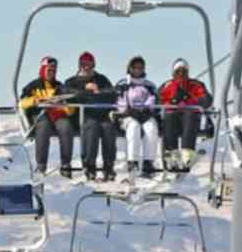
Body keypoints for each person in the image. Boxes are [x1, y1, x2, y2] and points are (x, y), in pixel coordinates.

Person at [64, 51, 118, 181]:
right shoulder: (72, 81)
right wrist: (85, 89)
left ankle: (108, 166)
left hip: (102, 115)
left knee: (109, 128)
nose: (86, 67)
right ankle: (90, 166)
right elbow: (67, 93)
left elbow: (112, 93)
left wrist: (98, 91)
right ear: (79, 65)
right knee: (91, 128)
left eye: (89, 64)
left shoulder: (101, 79)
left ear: (94, 65)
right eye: (83, 64)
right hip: (84, 116)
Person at [19, 56, 76, 177]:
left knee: (66, 126)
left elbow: (71, 109)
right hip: (40, 114)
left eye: (54, 70)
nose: (52, 73)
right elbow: (22, 102)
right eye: (49, 70)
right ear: (43, 69)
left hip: (56, 114)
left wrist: (63, 105)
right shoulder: (34, 86)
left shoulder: (60, 87)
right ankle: (41, 166)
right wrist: (36, 100)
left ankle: (66, 165)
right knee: (43, 126)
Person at [158, 58, 213, 172]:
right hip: (173, 120)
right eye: (178, 71)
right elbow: (158, 100)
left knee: (190, 114)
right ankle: (172, 154)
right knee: (170, 116)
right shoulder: (167, 85)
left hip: (190, 119)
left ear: (187, 72)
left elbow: (207, 99)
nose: (181, 74)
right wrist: (173, 102)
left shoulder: (196, 85)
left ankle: (186, 155)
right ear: (173, 73)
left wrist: (190, 102)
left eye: (184, 71)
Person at [115, 56, 160, 178]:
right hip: (128, 115)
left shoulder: (149, 85)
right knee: (133, 127)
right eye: (135, 67)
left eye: (140, 67)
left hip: (145, 114)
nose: (137, 70)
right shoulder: (123, 84)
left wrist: (146, 108)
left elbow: (154, 99)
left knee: (151, 127)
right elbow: (119, 101)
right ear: (130, 68)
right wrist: (128, 110)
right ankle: (132, 162)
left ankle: (148, 162)